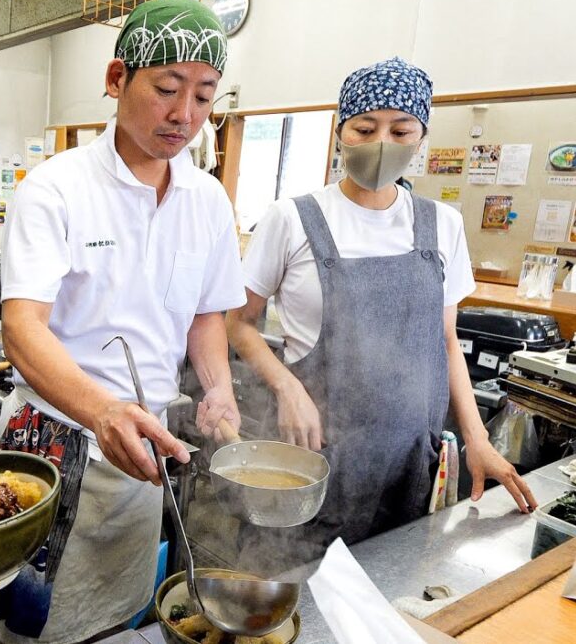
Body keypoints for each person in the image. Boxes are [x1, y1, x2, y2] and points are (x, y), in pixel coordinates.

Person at [0, 0, 246, 644]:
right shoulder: (56, 188)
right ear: (115, 79)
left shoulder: (207, 200)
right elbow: (23, 331)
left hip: (142, 447)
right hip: (53, 442)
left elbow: (206, 316)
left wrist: (217, 387)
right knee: (25, 626)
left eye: (204, 95)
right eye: (166, 88)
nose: (184, 114)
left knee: (114, 621)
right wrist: (102, 412)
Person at [225, 57, 537, 576]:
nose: (381, 142)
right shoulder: (293, 218)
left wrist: (478, 438)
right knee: (282, 591)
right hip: (312, 455)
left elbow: (445, 340)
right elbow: (238, 323)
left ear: (421, 138)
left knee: (387, 592)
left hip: (407, 462)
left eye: (400, 129)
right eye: (365, 128)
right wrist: (287, 387)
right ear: (341, 133)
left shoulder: (443, 225)